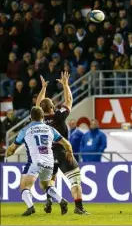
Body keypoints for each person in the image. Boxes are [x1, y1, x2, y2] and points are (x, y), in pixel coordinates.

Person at [36, 72, 88, 214]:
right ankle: (79, 208)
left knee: (51, 179)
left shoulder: (38, 119)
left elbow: (37, 105)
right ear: (52, 106)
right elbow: (69, 100)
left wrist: (43, 89)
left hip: (46, 154)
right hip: (62, 151)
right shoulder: (58, 116)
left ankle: (49, 200)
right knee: (75, 180)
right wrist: (65, 85)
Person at [5, 106, 72, 216]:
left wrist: (7, 154)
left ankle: (30, 207)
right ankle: (61, 200)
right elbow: (66, 144)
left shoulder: (26, 130)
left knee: (24, 186)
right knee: (45, 186)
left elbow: (12, 149)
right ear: (42, 117)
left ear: (31, 117)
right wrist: (70, 152)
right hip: (49, 161)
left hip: (34, 161)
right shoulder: (50, 129)